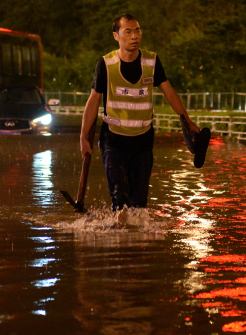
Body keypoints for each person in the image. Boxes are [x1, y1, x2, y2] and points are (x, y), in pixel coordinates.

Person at [80, 13, 201, 211]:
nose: (134, 36)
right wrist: (83, 137)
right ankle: (119, 237)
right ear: (116, 36)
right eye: (128, 32)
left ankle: (135, 240)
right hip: (114, 141)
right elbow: (93, 101)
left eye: (137, 30)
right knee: (120, 199)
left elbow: (169, 92)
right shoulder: (106, 64)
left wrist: (187, 121)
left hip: (143, 142)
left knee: (139, 205)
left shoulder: (152, 62)